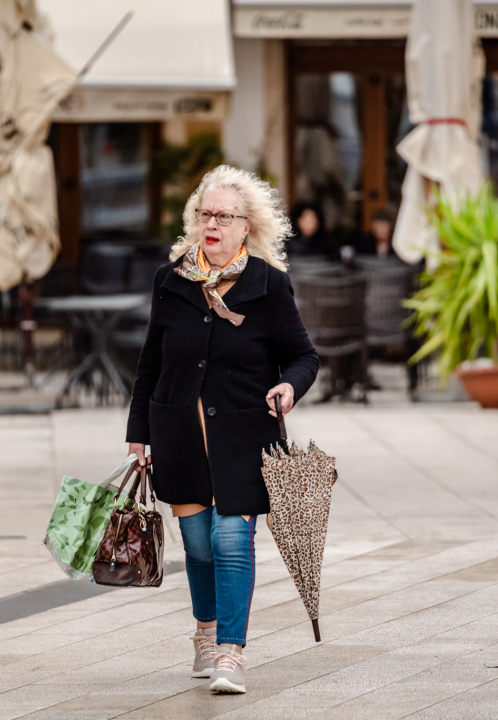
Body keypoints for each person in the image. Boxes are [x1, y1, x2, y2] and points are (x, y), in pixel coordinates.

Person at [126, 165, 320, 694]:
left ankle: (231, 654)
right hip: (179, 436)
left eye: (224, 217)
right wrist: (138, 432)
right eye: (205, 214)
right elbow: (150, 364)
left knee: (231, 540)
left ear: (245, 226)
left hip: (244, 438)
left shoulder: (268, 285)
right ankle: (206, 633)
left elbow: (303, 356)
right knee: (199, 546)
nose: (212, 224)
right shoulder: (171, 281)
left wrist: (290, 387)